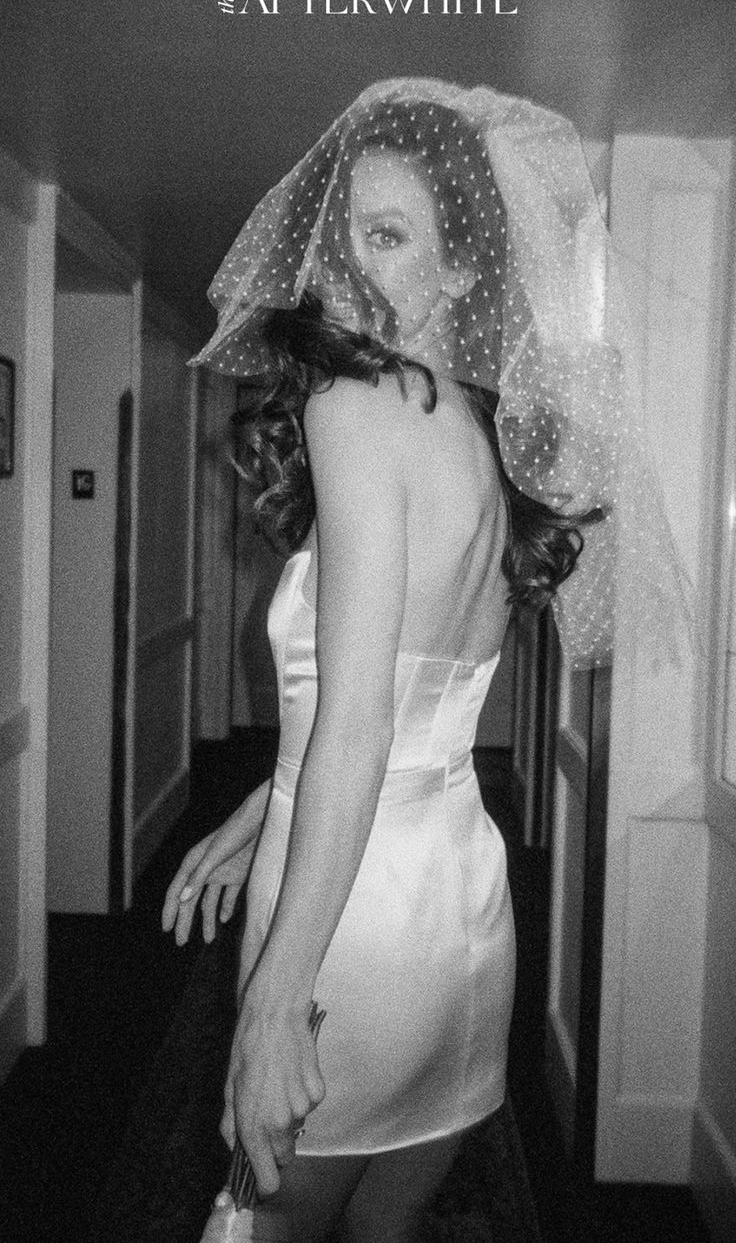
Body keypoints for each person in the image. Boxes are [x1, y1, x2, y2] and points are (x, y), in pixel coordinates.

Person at [162, 79, 694, 1241]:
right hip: (458, 903)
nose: (347, 262)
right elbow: (412, 710)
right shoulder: (482, 439)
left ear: (460, 273)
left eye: (389, 235)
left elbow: (356, 725)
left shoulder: (354, 410)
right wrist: (260, 809)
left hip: (350, 927)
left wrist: (270, 1003)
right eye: (343, 229)